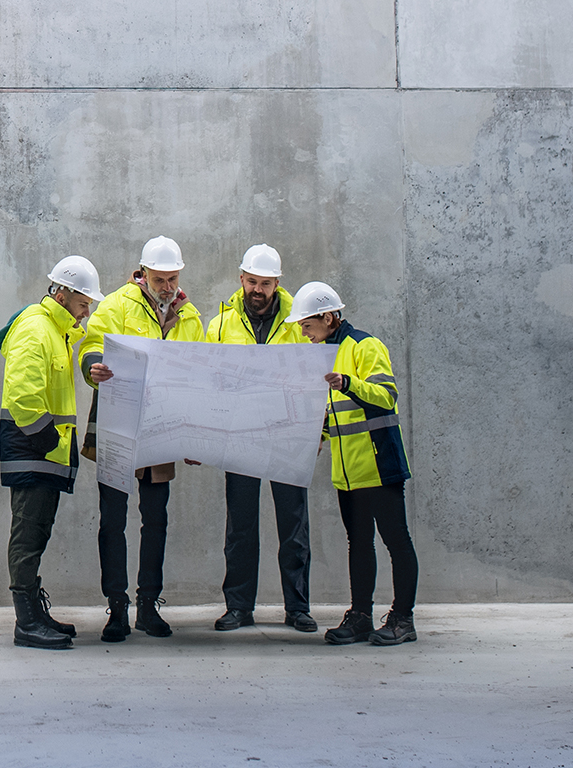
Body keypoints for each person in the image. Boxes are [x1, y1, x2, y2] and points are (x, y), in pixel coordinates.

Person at [78, 236, 205, 643]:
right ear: (142, 273)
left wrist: (193, 435)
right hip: (117, 423)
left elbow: (197, 376)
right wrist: (93, 366)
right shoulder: (115, 305)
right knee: (112, 521)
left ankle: (148, 606)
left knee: (156, 521)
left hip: (161, 426)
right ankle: (117, 609)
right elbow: (92, 345)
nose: (167, 286)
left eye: (172, 278)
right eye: (159, 278)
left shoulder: (191, 317)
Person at [286, 281, 419, 645]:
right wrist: (319, 436)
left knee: (396, 540)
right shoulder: (324, 353)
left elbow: (386, 397)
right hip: (348, 471)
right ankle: (361, 615)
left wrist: (347, 382)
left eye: (307, 325)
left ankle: (403, 619)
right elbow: (336, 414)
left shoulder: (364, 345)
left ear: (328, 317)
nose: (304, 333)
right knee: (358, 542)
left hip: (379, 463)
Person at [0, 255, 105, 650]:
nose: (87, 311)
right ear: (64, 293)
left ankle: (35, 613)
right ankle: (26, 623)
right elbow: (22, 397)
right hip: (33, 450)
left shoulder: (56, 330)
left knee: (37, 532)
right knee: (27, 534)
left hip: (44, 453)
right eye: (84, 302)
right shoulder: (37, 328)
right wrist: (48, 442)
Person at [206, 244, 317, 633]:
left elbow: (316, 376)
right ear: (241, 279)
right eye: (252, 281)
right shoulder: (219, 324)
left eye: (265, 283)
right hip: (240, 435)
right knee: (240, 526)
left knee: (293, 525)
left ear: (277, 283)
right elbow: (210, 382)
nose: (258, 289)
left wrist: (316, 428)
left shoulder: (300, 320)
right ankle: (238, 607)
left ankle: (298, 608)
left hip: (288, 435)